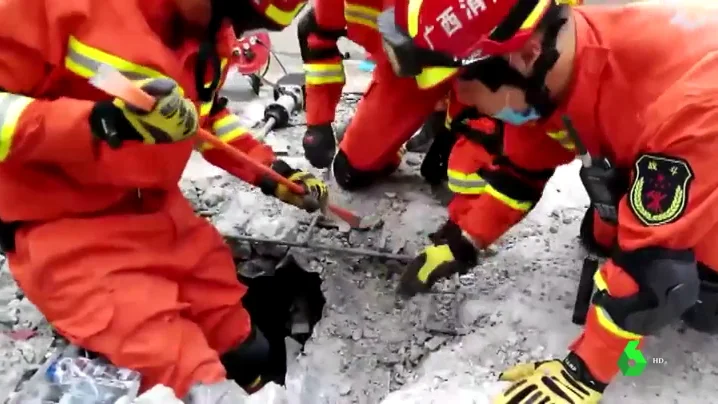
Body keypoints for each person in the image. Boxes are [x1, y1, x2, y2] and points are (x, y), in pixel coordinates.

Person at [385, 0, 718, 402]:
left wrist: (583, 374)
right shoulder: (562, 61)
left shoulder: (689, 105)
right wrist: (463, 240)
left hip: (702, 142)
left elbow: (654, 274)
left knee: (688, 291)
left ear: (526, 55)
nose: (462, 107)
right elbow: (523, 168)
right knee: (605, 232)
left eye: (464, 93)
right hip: (678, 144)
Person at [0, 0, 326, 402]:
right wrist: (100, 122)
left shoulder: (208, 36)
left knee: (246, 347)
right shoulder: (55, 9)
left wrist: (271, 172)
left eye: (242, 22)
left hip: (158, 213)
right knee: (191, 380)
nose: (232, 30)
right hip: (63, 226)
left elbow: (204, 120)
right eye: (231, 14)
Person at [297, 0, 458, 189]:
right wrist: (318, 122)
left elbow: (488, 66)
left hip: (458, 70)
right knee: (349, 172)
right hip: (401, 71)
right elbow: (316, 32)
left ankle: (444, 114)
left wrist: (454, 129)